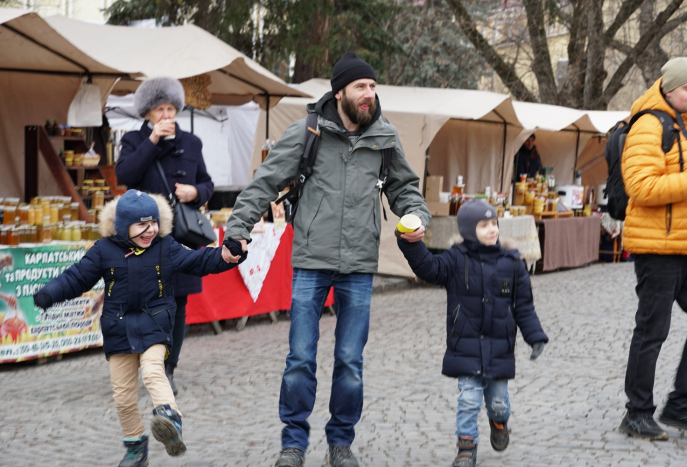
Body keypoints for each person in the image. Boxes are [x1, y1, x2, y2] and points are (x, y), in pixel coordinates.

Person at [222, 52, 431, 467]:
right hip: (311, 260)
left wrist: (417, 216)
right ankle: (293, 444)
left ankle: (340, 443)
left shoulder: (385, 137)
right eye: (361, 87)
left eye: (373, 86)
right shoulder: (308, 133)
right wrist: (237, 229)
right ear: (340, 93)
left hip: (358, 264)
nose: (369, 94)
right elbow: (265, 182)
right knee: (300, 358)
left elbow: (406, 189)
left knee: (350, 362)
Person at [32, 190, 245, 467]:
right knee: (122, 396)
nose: (150, 229)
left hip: (155, 323)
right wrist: (50, 293)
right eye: (142, 225)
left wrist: (225, 257)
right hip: (118, 329)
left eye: (153, 223)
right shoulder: (103, 250)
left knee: (155, 372)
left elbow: (197, 261)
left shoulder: (165, 247)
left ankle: (170, 418)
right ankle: (135, 447)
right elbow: (76, 277)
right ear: (123, 226)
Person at [397, 200, 548, 467]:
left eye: (494, 223)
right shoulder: (455, 259)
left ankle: (499, 423)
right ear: (468, 230)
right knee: (468, 399)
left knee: (498, 403)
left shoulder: (512, 262)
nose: (492, 229)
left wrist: (535, 336)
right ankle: (466, 448)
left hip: (500, 348)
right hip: (465, 345)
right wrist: (410, 243)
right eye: (484, 225)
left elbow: (524, 305)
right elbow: (428, 268)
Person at [116, 76, 214, 396]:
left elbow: (207, 184)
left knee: (178, 303)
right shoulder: (133, 140)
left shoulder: (192, 143)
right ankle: (147, 361)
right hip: (143, 237)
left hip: (180, 237)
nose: (167, 115)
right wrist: (153, 141)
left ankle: (168, 367)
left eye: (171, 108)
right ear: (147, 113)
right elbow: (124, 176)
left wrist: (194, 191)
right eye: (160, 109)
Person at [618, 57, 687, 441]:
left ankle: (683, 403)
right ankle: (637, 413)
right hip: (657, 248)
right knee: (653, 331)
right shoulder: (649, 125)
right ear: (669, 89)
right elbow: (642, 188)